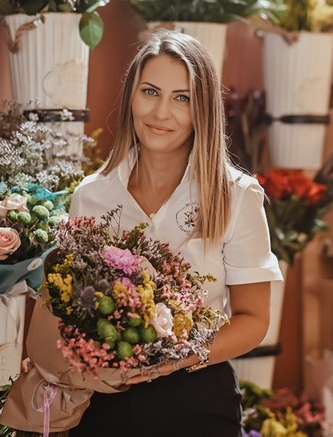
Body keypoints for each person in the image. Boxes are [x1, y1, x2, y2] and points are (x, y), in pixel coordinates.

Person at [67, 29, 283, 436]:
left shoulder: (235, 196)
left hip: (198, 403)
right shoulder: (91, 196)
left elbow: (254, 320)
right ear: (131, 95)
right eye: (150, 92)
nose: (161, 112)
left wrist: (178, 357)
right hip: (103, 407)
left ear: (201, 109)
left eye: (181, 98)